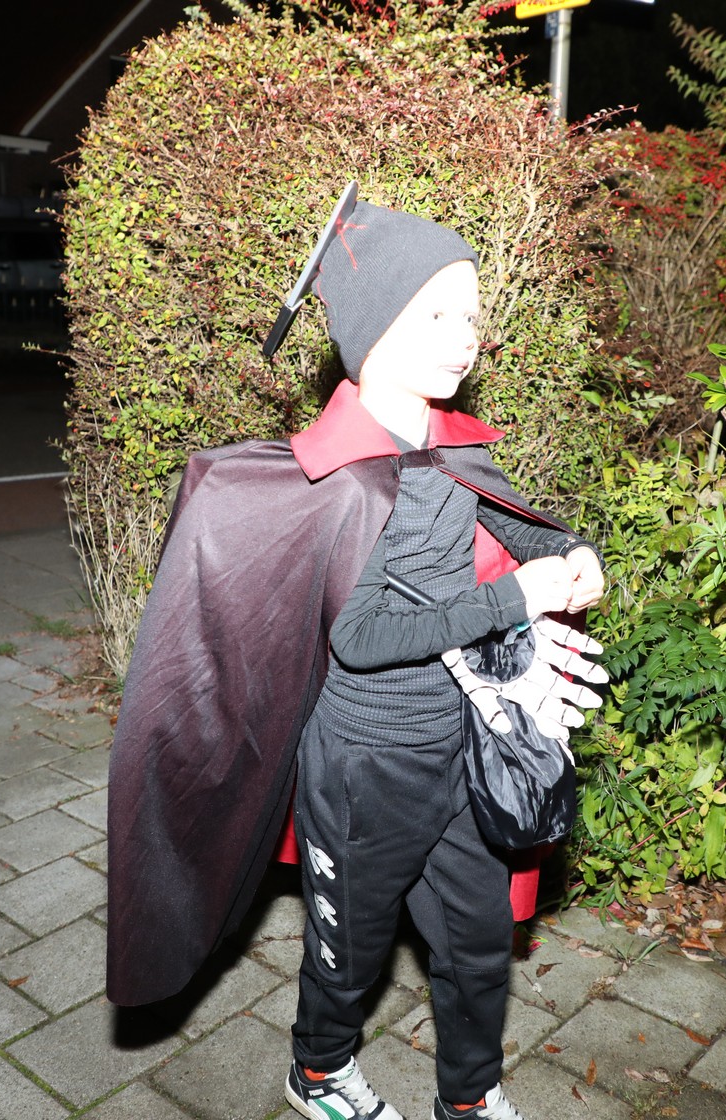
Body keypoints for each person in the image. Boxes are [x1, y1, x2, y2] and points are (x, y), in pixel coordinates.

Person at [105, 195, 604, 1120]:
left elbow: (515, 524)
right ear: (372, 329)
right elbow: (360, 638)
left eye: (472, 314)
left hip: (460, 748)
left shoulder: (448, 447)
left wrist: (570, 555)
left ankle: (469, 1096)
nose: (465, 337)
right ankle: (319, 1072)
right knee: (351, 948)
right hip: (366, 767)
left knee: (477, 944)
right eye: (437, 314)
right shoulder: (339, 482)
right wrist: (512, 600)